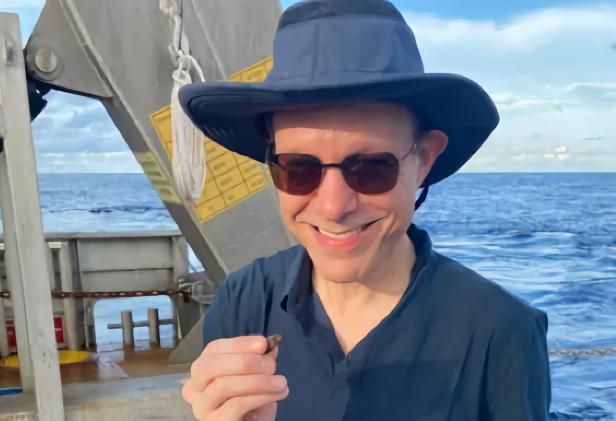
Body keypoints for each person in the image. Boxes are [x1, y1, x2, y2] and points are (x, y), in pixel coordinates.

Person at [179, 1, 551, 420]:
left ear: (424, 159)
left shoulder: (501, 331)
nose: (334, 206)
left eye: (372, 167)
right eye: (299, 167)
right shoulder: (242, 301)